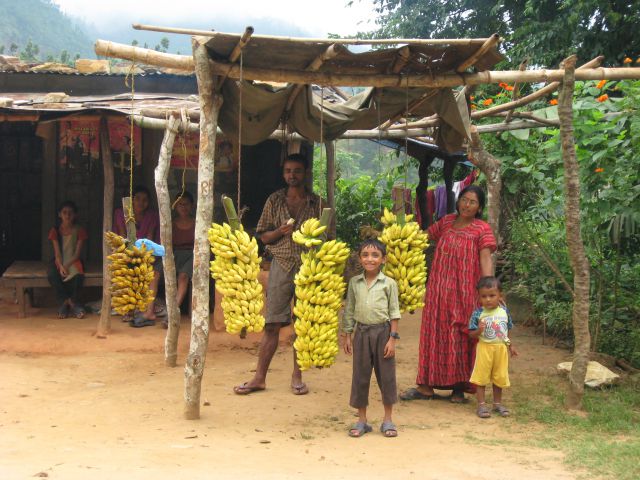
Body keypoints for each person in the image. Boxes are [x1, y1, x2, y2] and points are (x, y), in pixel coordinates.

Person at [234, 153, 322, 396]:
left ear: (305, 173)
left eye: (297, 171)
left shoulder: (317, 203)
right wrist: (281, 232)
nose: (292, 175)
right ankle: (259, 377)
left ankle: (297, 376)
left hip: (308, 265)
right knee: (272, 323)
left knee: (302, 324)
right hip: (281, 263)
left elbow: (328, 238)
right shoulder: (274, 200)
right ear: (283, 174)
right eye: (288, 171)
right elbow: (263, 236)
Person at [401, 185, 496, 403]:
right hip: (437, 292)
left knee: (461, 335)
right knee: (433, 336)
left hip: (465, 292)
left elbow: (485, 259)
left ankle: (458, 388)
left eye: (473, 202)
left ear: (479, 207)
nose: (467, 205)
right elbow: (423, 238)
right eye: (464, 199)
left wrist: (488, 289)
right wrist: (399, 234)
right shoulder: (446, 222)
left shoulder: (482, 229)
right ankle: (425, 387)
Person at [341, 239, 401, 438]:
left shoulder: (389, 283)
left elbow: (394, 312)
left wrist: (392, 339)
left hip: (383, 333)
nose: (370, 259)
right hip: (362, 333)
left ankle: (388, 420)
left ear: (383, 259)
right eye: (365, 255)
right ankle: (362, 420)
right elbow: (349, 310)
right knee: (360, 376)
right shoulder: (354, 283)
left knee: (386, 376)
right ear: (360, 259)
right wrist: (347, 335)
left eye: (375, 255)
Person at [468, 276, 518, 418]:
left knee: (499, 377)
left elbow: (504, 331)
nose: (488, 299)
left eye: (492, 295)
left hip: (501, 350)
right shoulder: (478, 313)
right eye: (484, 296)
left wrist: (510, 346)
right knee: (481, 377)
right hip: (484, 349)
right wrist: (479, 330)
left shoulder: (504, 312)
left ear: (500, 296)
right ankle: (482, 406)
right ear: (479, 298)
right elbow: (471, 334)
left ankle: (497, 404)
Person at [113, 185, 162, 323]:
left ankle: (146, 310)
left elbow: (150, 238)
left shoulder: (151, 216)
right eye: (138, 199)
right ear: (132, 200)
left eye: (145, 200)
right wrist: (132, 254)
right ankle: (129, 309)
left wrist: (141, 257)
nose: (141, 202)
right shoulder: (121, 213)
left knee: (150, 273)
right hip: (125, 250)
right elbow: (123, 235)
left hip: (145, 253)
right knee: (128, 270)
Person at [47, 200, 87, 319]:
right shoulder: (55, 230)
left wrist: (68, 265)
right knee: (52, 274)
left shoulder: (80, 230)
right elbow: (57, 253)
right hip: (60, 260)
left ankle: (71, 302)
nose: (67, 215)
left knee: (78, 274)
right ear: (60, 214)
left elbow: (76, 254)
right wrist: (60, 265)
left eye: (70, 213)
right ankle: (67, 302)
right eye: (64, 212)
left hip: (73, 260)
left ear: (75, 215)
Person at [172, 191, 195, 310]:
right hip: (175, 255)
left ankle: (173, 310)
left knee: (183, 276)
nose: (183, 207)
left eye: (186, 204)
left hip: (192, 256)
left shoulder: (197, 223)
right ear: (175, 206)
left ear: (192, 206)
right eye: (180, 204)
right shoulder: (171, 224)